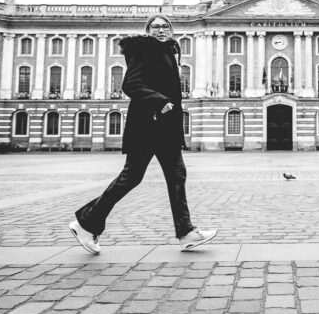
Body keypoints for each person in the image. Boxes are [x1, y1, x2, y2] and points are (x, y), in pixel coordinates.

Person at [69, 15, 217, 254]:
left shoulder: (166, 51)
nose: (161, 30)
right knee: (131, 177)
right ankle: (86, 221)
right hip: (148, 126)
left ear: (170, 29)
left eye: (165, 26)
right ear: (148, 30)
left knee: (176, 175)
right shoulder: (144, 50)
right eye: (155, 26)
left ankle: (186, 232)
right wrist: (160, 102)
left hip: (163, 126)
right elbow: (130, 84)